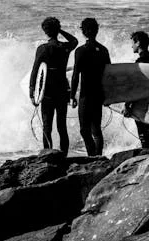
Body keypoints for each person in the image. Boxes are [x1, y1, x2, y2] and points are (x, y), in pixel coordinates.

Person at [29, 17, 78, 152]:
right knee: (61, 125)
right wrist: (60, 30)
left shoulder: (43, 49)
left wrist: (32, 92)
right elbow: (74, 41)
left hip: (47, 91)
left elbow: (35, 70)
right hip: (62, 89)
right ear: (57, 30)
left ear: (45, 31)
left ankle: (48, 154)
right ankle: (64, 155)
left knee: (47, 126)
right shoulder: (64, 47)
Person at [71, 18, 111, 156]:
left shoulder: (81, 51)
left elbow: (75, 75)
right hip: (99, 93)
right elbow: (109, 75)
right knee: (96, 129)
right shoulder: (104, 50)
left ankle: (92, 156)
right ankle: (98, 155)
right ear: (96, 30)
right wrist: (109, 95)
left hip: (86, 95)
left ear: (83, 31)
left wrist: (72, 96)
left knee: (84, 130)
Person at [126, 31, 149, 149]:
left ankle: (146, 155)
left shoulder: (140, 62)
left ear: (138, 43)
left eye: (132, 43)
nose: (131, 46)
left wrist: (128, 105)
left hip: (140, 102)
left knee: (143, 133)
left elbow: (136, 86)